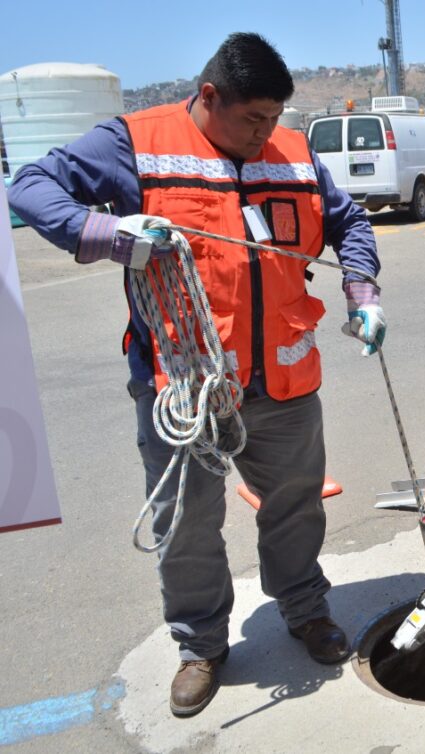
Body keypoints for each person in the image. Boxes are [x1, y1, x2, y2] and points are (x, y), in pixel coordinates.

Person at [9, 33, 385, 717]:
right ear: (209, 96)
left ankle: (305, 611)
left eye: (275, 119)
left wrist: (362, 288)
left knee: (296, 507)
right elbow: (32, 186)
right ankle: (201, 645)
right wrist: (109, 235)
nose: (266, 134)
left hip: (285, 384)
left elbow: (348, 220)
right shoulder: (137, 143)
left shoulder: (295, 154)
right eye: (252, 120)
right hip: (184, 387)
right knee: (187, 525)